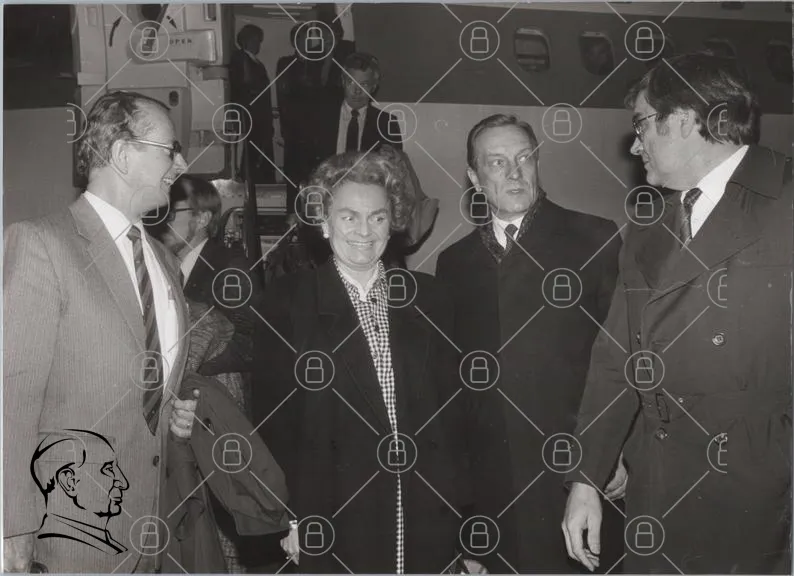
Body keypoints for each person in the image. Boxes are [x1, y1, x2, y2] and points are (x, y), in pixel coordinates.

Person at [562, 52, 792, 574]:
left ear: (684, 120)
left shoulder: (785, 199)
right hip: (659, 490)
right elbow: (615, 359)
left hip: (762, 501)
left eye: (642, 124)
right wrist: (586, 478)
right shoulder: (648, 226)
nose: (634, 144)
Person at [3, 90, 198, 573]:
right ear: (122, 154)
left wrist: (173, 412)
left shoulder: (165, 262)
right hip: (67, 534)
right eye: (170, 149)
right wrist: (12, 526)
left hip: (152, 527)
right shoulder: (41, 243)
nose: (181, 163)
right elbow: (11, 398)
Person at [251, 150, 469, 573]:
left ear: (394, 221)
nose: (364, 231)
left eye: (378, 217)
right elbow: (274, 423)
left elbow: (453, 415)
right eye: (349, 216)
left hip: (424, 513)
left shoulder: (432, 298)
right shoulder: (288, 302)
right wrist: (291, 516)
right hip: (335, 512)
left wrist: (461, 516)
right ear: (323, 221)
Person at [435, 114, 624, 573]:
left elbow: (622, 357)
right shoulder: (455, 263)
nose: (515, 172)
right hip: (494, 483)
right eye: (497, 162)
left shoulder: (594, 238)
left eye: (523, 158)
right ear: (475, 178)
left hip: (575, 470)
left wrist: (616, 452)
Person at [159, 174, 261, 404]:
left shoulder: (230, 269)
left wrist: (189, 362)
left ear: (202, 219)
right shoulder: (161, 266)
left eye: (170, 213)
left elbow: (252, 343)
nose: (162, 222)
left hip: (214, 403)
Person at [308, 52, 402, 176]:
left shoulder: (387, 123)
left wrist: (391, 159)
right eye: (351, 82)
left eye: (364, 84)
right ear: (343, 82)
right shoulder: (319, 117)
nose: (357, 91)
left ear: (374, 87)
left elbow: (394, 173)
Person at [230, 24, 275, 183]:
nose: (258, 44)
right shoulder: (241, 58)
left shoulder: (256, 62)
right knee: (252, 157)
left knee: (258, 156)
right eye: (255, 40)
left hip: (259, 116)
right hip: (251, 116)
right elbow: (246, 85)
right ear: (246, 40)